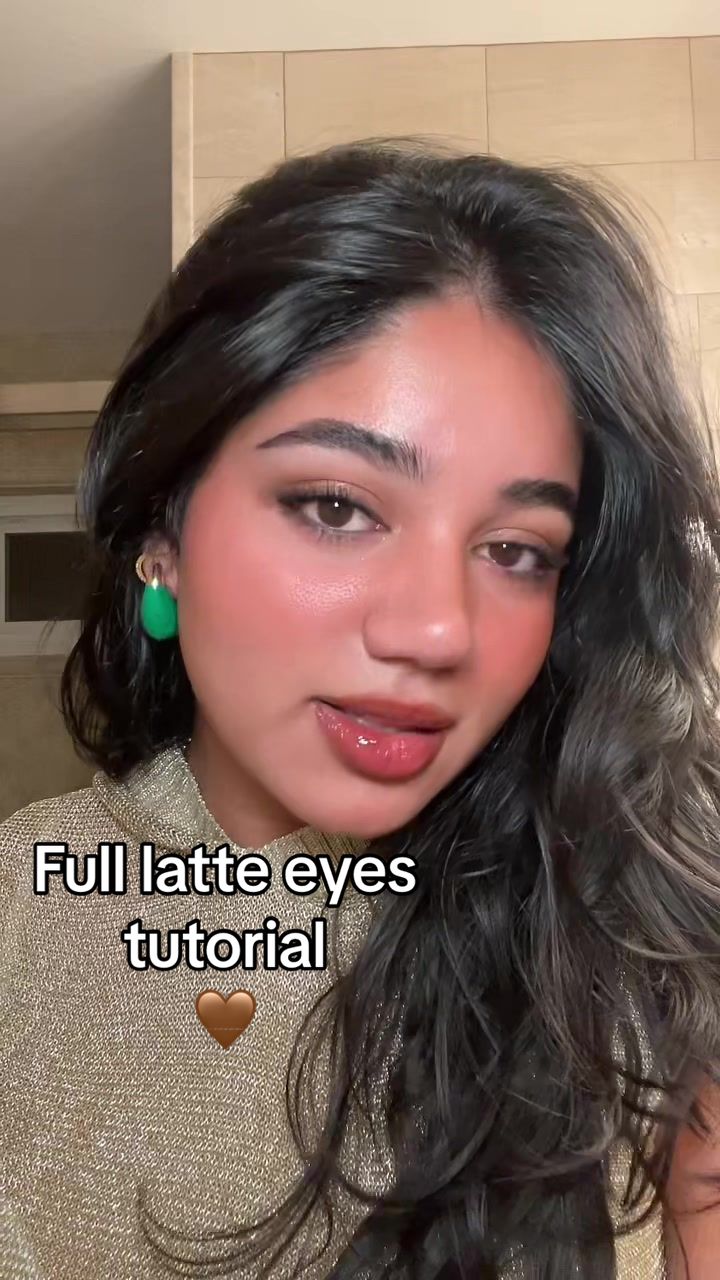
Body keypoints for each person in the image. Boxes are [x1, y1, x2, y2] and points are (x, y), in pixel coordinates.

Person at [1, 136, 720, 1280]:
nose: (438, 629)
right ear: (163, 529)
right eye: (336, 505)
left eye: (517, 549)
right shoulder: (24, 919)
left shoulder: (635, 930)